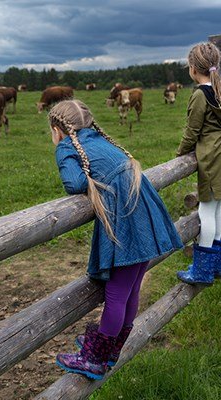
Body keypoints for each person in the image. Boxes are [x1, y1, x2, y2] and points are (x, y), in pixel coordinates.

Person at [49, 99, 183, 380]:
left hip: (126, 222)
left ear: (56, 129)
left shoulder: (67, 147)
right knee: (131, 289)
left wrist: (96, 183)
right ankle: (110, 348)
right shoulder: (99, 139)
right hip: (145, 213)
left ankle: (95, 358)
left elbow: (73, 183)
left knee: (116, 295)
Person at [175, 42, 221, 285]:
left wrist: (180, 153)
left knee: (206, 212)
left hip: (213, 158)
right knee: (216, 211)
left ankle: (201, 271)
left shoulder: (199, 94)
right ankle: (215, 266)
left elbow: (192, 131)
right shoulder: (218, 90)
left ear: (193, 69)